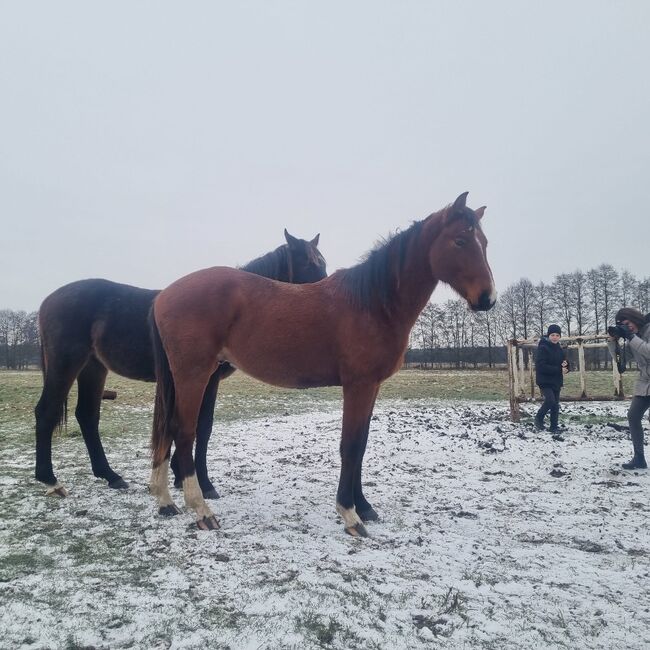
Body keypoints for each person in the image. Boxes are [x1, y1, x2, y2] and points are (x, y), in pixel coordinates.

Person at [609, 308, 650, 470]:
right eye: (623, 325)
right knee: (633, 416)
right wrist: (612, 342)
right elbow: (621, 361)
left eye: (628, 323)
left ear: (634, 319)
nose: (627, 327)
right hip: (645, 382)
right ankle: (639, 458)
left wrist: (631, 337)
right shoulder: (631, 339)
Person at [534, 324, 569, 437]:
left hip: (556, 381)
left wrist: (566, 367)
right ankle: (538, 418)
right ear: (548, 335)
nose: (554, 337)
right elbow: (540, 366)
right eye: (552, 335)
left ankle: (554, 426)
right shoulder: (543, 347)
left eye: (557, 335)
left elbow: (566, 363)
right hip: (544, 380)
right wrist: (559, 369)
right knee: (550, 401)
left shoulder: (560, 349)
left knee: (555, 405)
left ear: (559, 336)